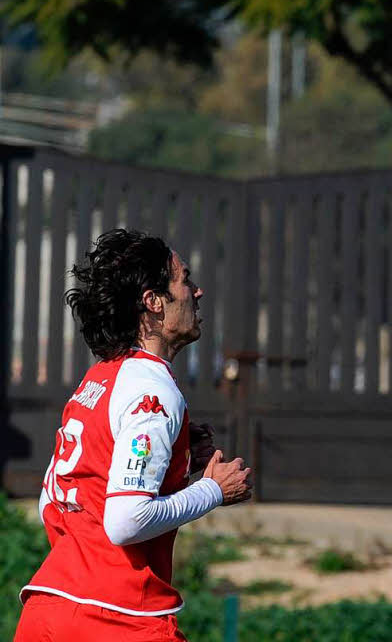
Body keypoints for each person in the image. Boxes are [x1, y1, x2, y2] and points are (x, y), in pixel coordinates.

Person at [15, 228, 253, 642]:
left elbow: (50, 502)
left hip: (45, 611)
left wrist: (175, 457)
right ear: (153, 302)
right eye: (185, 279)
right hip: (116, 618)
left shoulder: (98, 381)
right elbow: (126, 521)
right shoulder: (153, 392)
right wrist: (214, 490)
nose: (198, 292)